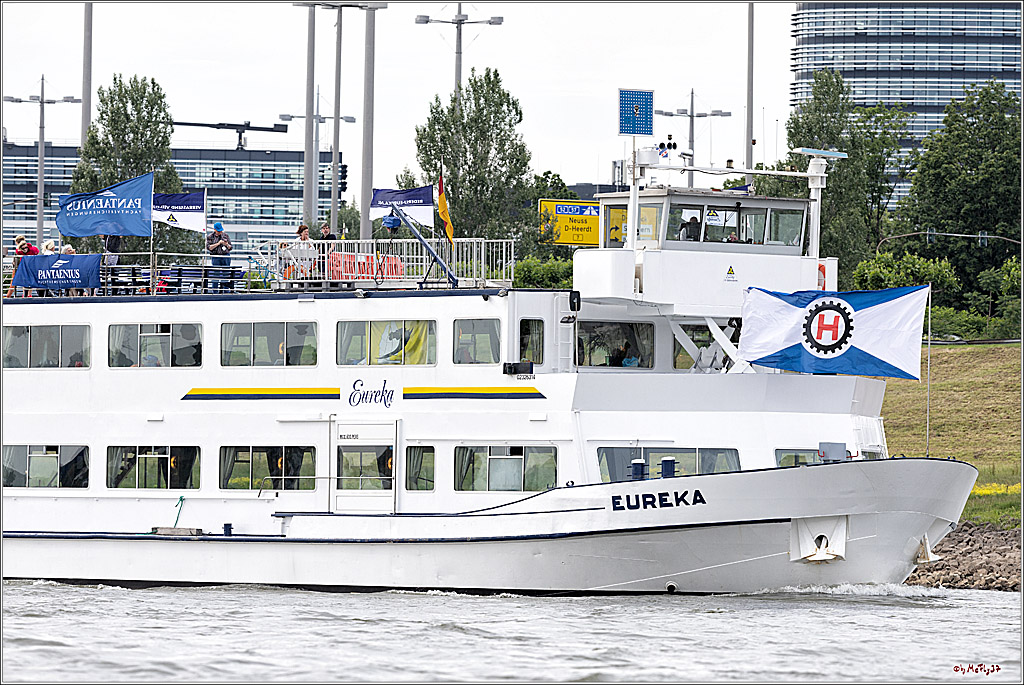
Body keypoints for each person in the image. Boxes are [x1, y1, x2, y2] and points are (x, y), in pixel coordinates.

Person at [206, 221, 233, 293]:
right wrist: (218, 243)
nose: (220, 232)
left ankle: (226, 291)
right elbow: (209, 247)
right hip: (216, 256)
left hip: (225, 256)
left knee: (226, 274)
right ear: (214, 230)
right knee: (216, 274)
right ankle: (215, 292)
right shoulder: (210, 237)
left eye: (221, 231)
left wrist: (226, 244)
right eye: (218, 231)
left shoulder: (225, 236)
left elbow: (230, 247)